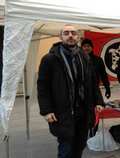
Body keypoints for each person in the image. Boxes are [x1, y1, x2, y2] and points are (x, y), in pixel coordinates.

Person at [37, 24, 104, 158]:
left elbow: (91, 82)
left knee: (79, 146)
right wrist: (46, 110)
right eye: (66, 33)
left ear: (78, 37)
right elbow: (42, 86)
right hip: (63, 111)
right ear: (60, 36)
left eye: (73, 33)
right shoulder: (50, 59)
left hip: (83, 111)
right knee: (66, 148)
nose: (70, 36)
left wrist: (98, 101)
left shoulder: (84, 57)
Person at [81, 38, 111, 137]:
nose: (86, 48)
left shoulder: (98, 60)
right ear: (82, 48)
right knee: (83, 113)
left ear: (92, 48)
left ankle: (93, 132)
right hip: (81, 91)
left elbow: (103, 75)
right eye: (84, 46)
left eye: (88, 46)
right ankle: (84, 132)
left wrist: (107, 88)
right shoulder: (78, 60)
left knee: (96, 111)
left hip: (95, 91)